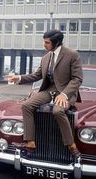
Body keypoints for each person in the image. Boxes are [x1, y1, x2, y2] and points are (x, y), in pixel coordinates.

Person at [7, 29, 83, 157]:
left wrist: (64, 94)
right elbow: (37, 75)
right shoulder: (45, 58)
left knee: (58, 111)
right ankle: (30, 142)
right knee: (26, 105)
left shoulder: (72, 55)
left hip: (65, 92)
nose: (44, 45)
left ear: (57, 42)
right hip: (49, 90)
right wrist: (19, 78)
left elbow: (77, 78)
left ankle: (71, 144)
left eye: (47, 43)